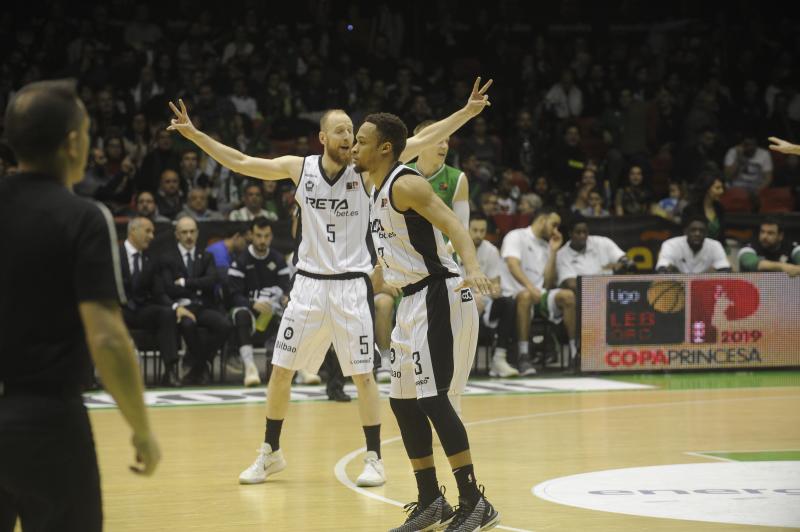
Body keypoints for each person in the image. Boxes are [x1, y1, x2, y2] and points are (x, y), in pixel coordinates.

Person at [167, 77, 492, 490]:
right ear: (323, 136)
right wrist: (194, 134)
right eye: (341, 131)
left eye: (353, 133)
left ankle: (374, 457)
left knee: (364, 376)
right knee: (280, 370)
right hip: (307, 285)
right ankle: (271, 452)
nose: (349, 138)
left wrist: (466, 112)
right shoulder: (299, 168)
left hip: (352, 285)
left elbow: (427, 136)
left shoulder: (370, 168)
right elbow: (242, 162)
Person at [0, 79, 160, 531]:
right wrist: (141, 429)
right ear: (73, 142)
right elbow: (107, 338)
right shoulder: (84, 219)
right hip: (48, 425)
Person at [352, 110, 500, 532]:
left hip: (441, 292)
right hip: (410, 301)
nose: (354, 147)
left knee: (434, 398)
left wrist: (471, 266)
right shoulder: (372, 183)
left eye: (361, 141)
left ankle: (474, 500)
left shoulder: (407, 183)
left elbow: (455, 224)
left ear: (384, 148)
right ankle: (431, 499)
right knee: (401, 401)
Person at [500, 208, 578, 375]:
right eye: (554, 225)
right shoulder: (516, 236)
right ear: (542, 220)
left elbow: (548, 284)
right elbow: (512, 265)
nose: (556, 230)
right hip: (514, 295)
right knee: (526, 296)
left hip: (539, 296)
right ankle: (523, 355)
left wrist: (554, 251)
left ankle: (575, 354)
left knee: (568, 296)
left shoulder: (547, 245)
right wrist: (530, 287)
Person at [156, 216, 232, 385]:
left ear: (197, 233)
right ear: (177, 235)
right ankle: (201, 367)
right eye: (184, 232)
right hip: (181, 308)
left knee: (224, 325)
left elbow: (212, 280)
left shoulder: (206, 256)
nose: (189, 236)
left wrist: (184, 282)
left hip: (202, 305)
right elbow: (168, 288)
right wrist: (197, 286)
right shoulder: (167, 258)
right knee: (187, 325)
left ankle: (199, 364)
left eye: (192, 232)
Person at [228, 217, 292, 387]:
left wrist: (286, 297)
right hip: (249, 313)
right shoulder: (241, 261)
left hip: (273, 312)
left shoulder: (278, 259)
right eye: (258, 236)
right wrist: (252, 304)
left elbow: (287, 287)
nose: (262, 240)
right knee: (240, 314)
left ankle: (296, 369)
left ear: (271, 237)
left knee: (292, 313)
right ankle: (250, 368)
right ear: (251, 235)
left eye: (266, 236)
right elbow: (233, 295)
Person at [120, 217, 183, 387]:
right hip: (119, 309)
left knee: (166, 314)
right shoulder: (115, 255)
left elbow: (158, 291)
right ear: (133, 231)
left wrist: (175, 307)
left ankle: (169, 371)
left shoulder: (150, 259)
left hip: (140, 310)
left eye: (153, 232)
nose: (152, 236)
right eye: (148, 231)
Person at [468, 214, 519, 378]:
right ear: (466, 229)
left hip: (484, 299)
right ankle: (457, 359)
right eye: (474, 230)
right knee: (472, 301)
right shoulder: (453, 247)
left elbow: (495, 283)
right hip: (458, 299)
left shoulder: (490, 250)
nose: (478, 234)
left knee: (508, 303)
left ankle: (499, 358)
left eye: (482, 231)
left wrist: (495, 290)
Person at [557, 215, 633, 293]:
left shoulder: (603, 242)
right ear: (570, 233)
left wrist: (623, 265)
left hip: (611, 292)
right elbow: (572, 285)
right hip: (584, 298)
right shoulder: (562, 255)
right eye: (578, 233)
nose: (582, 236)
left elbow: (627, 261)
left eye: (585, 232)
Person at [656, 215, 732, 273]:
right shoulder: (670, 245)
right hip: (676, 285)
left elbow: (725, 269)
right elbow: (662, 268)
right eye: (693, 230)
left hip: (706, 286)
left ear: (706, 233)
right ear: (685, 231)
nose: (697, 234)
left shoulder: (715, 245)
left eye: (701, 231)